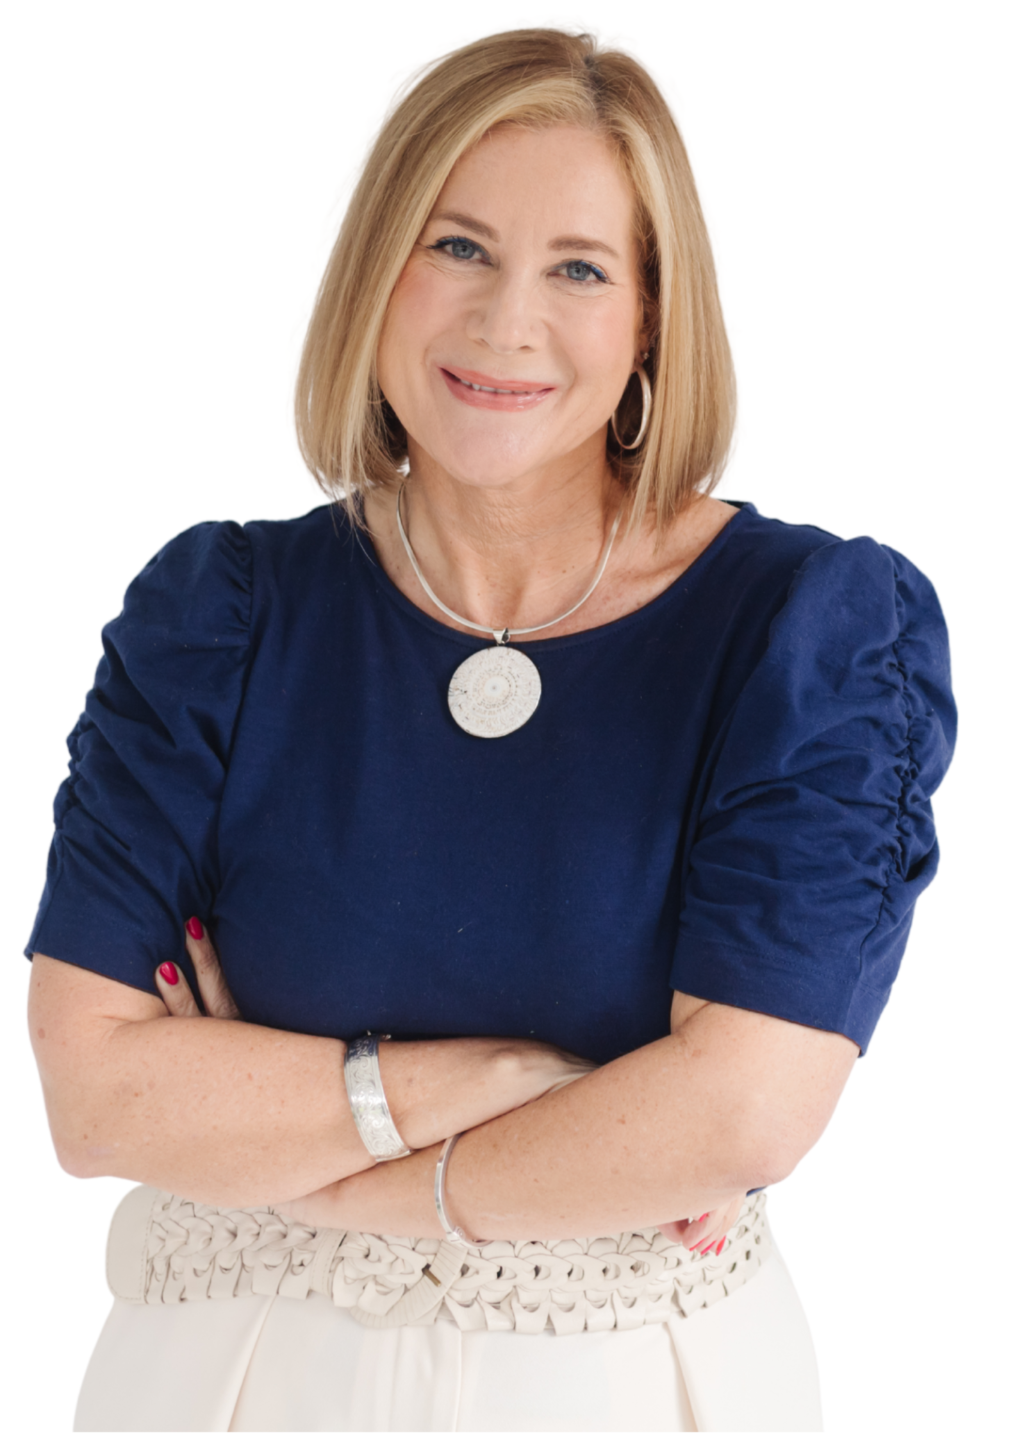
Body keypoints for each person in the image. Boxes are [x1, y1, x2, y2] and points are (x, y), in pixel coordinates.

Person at [25, 26, 955, 1434]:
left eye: (578, 269)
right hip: (225, 1387)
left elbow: (745, 1113)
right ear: (377, 270)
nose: (507, 321)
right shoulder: (224, 616)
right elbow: (96, 1097)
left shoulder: (804, 635)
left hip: (633, 1390)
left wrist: (311, 1149)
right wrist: (523, 1085)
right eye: (458, 246)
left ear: (651, 320)